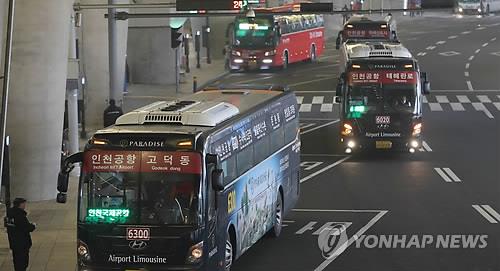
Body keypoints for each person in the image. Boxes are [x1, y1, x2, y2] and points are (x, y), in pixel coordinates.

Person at [4, 198, 36, 271]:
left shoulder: (9, 213)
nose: (25, 205)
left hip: (13, 241)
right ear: (20, 205)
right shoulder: (19, 215)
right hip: (22, 243)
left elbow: (7, 225)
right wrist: (33, 226)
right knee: (23, 262)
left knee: (16, 260)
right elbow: (26, 227)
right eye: (24, 204)